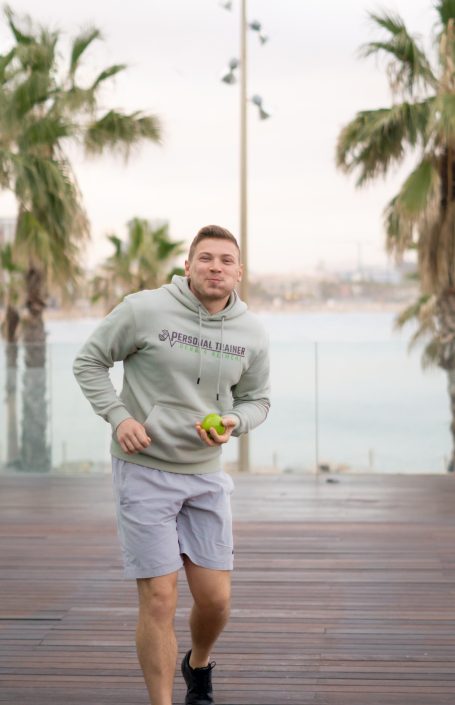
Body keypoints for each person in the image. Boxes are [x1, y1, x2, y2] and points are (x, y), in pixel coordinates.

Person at [73, 224, 270, 705]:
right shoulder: (145, 309)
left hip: (205, 474)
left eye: (226, 260)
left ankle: (198, 663)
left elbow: (258, 400)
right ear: (188, 266)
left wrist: (232, 421)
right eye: (205, 258)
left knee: (215, 601)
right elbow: (89, 361)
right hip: (144, 469)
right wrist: (119, 418)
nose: (215, 267)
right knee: (160, 598)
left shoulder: (252, 333)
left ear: (239, 272)